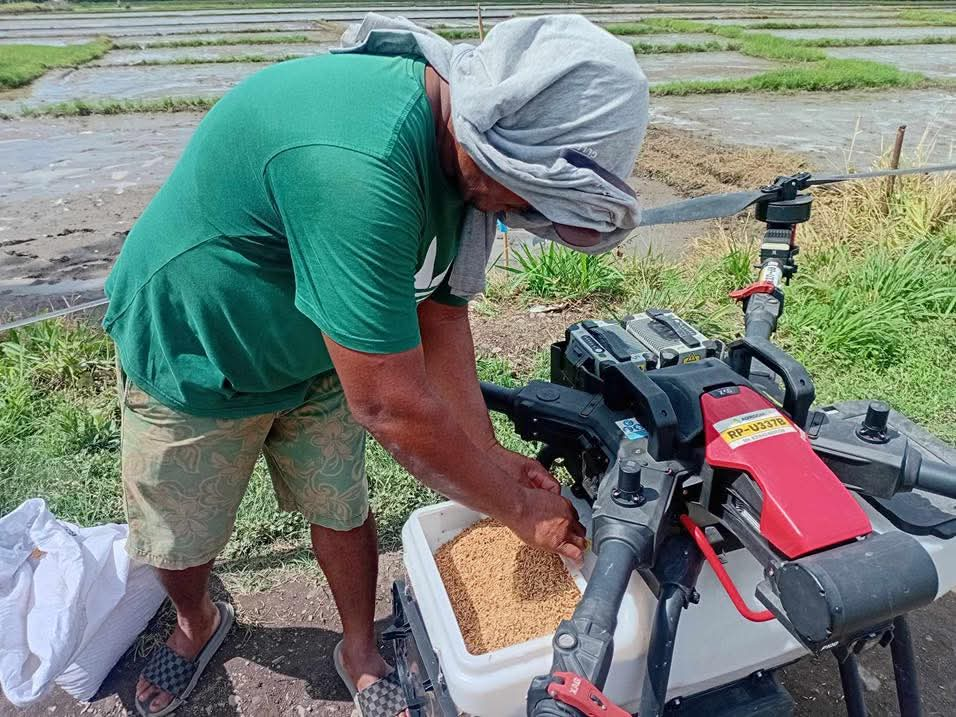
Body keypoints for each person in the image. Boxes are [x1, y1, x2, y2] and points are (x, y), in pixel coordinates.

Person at [104, 12, 648, 717]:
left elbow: (441, 314)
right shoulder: (360, 168)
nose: (523, 215)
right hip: (200, 352)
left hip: (331, 352)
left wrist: (488, 454)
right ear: (496, 143)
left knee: (342, 506)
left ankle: (359, 647)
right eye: (528, 197)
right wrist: (517, 509)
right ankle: (196, 621)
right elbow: (389, 405)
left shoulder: (462, 152)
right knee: (182, 537)